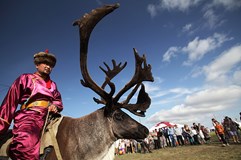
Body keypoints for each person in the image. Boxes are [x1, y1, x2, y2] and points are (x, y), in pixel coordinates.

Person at [0, 50, 63, 159]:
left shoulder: (53, 84)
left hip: (49, 116)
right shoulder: (25, 78)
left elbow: (58, 100)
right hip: (29, 116)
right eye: (45, 63)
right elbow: (10, 102)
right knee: (26, 144)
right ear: (37, 65)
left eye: (51, 65)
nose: (48, 67)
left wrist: (55, 106)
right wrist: (2, 125)